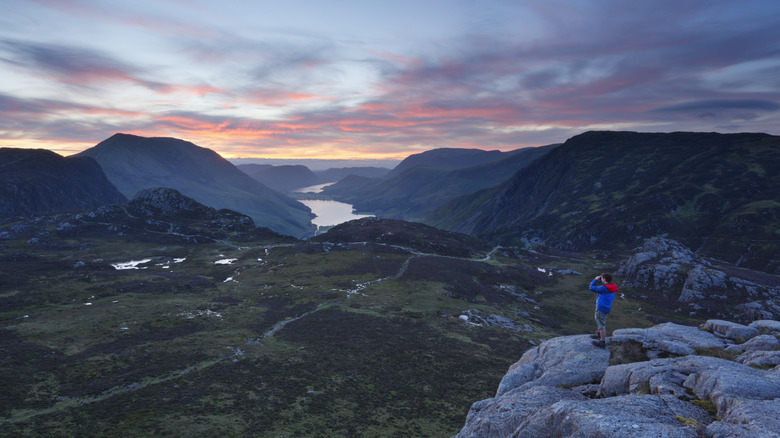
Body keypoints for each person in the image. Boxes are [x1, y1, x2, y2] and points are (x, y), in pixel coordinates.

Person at [589, 273, 618, 348]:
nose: (601, 279)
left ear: (604, 279)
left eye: (602, 278)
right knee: (601, 321)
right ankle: (598, 334)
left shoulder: (604, 288)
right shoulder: (613, 286)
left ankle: (602, 342)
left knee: (601, 325)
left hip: (601, 308)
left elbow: (591, 287)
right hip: (607, 307)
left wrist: (595, 279)